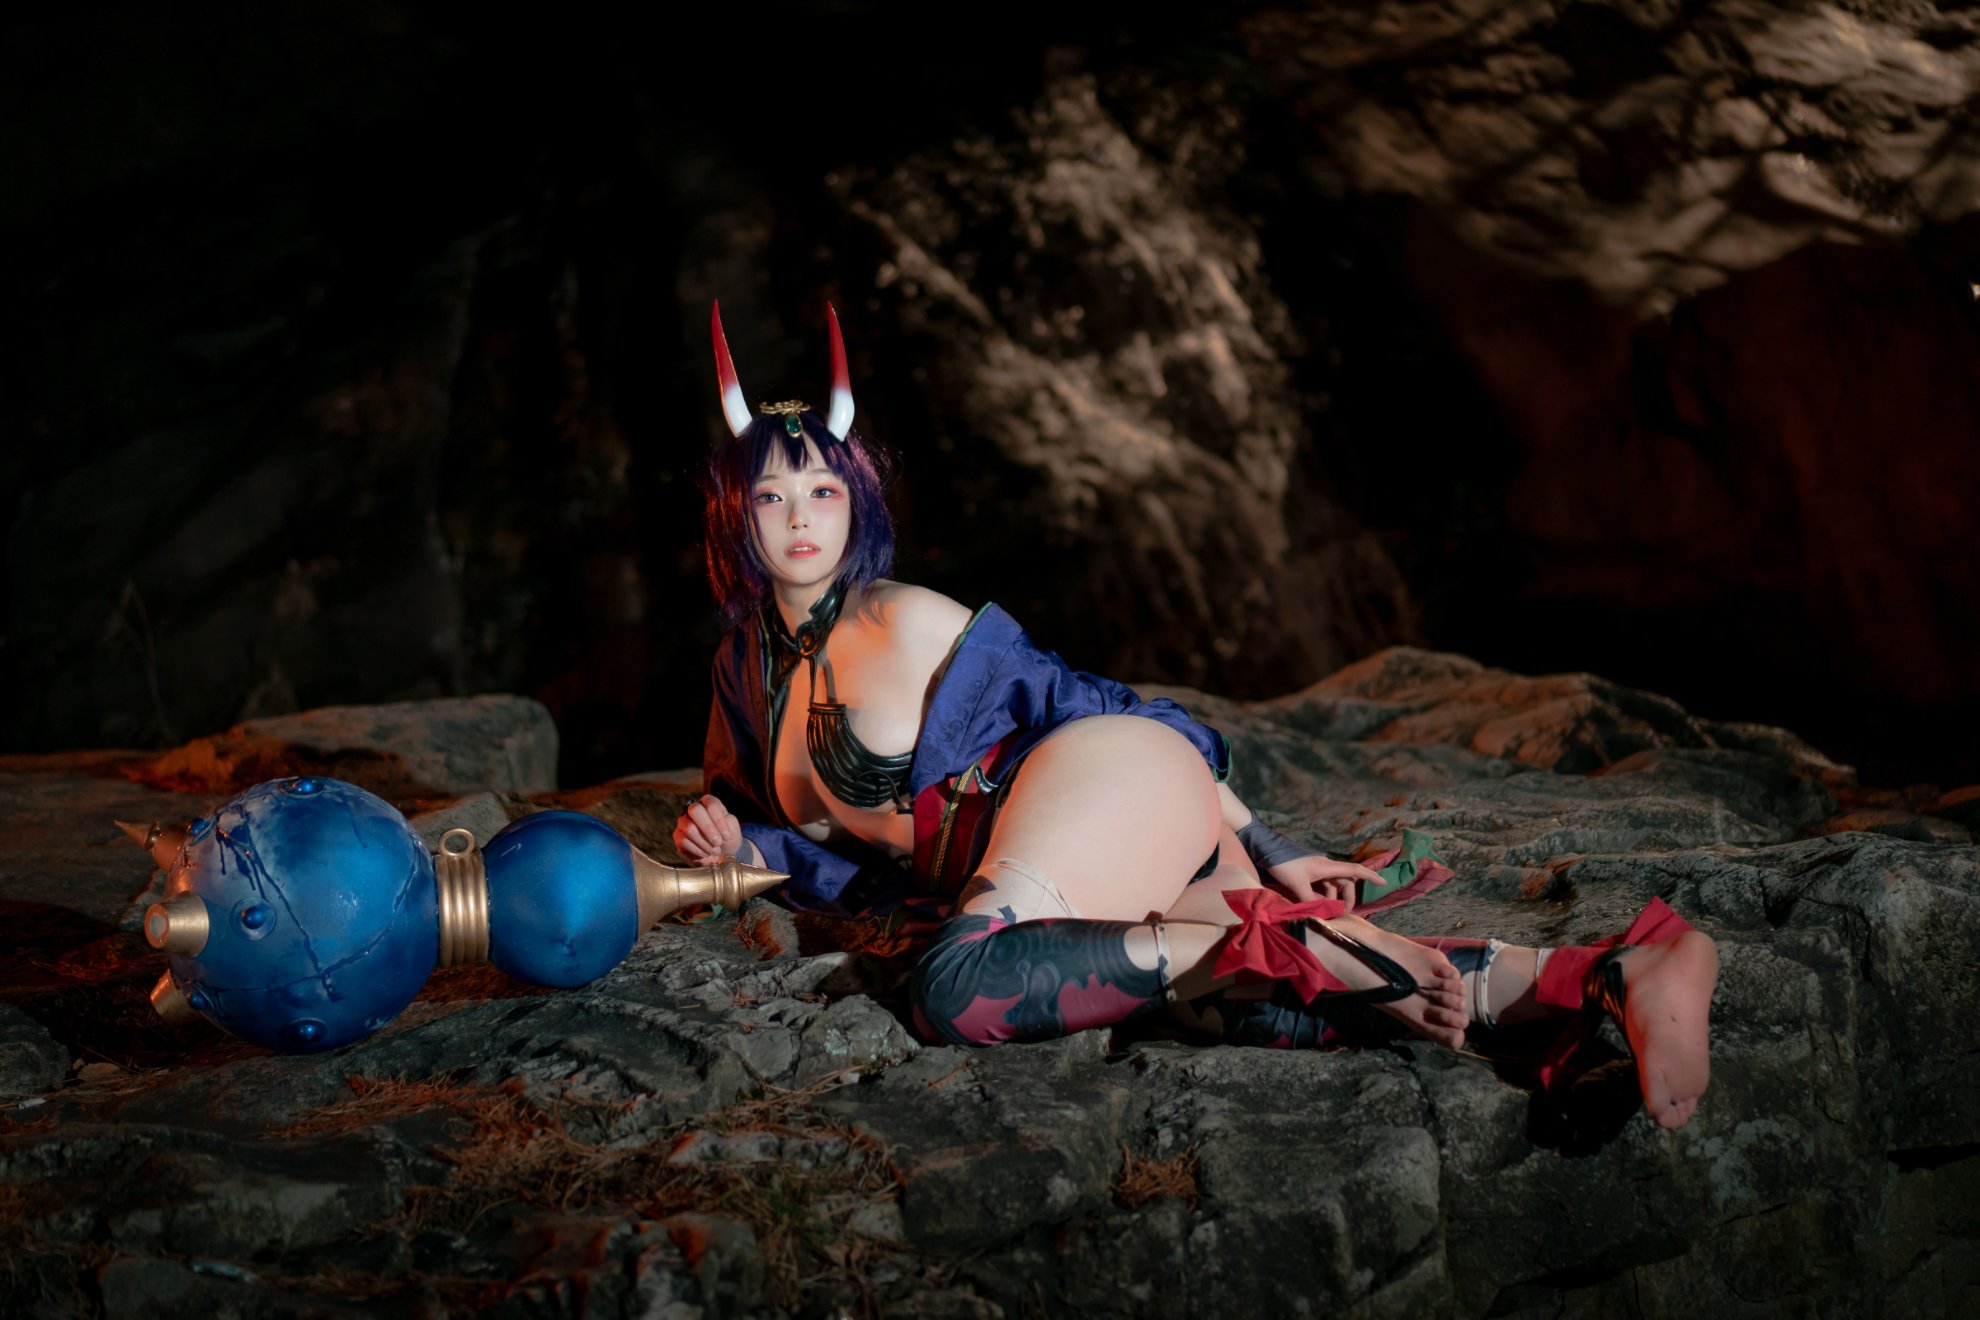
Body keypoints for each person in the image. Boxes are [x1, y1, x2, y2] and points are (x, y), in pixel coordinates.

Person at [673, 304, 1719, 1129]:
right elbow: (781, 831)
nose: (802, 519)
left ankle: (1291, 943)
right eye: (772, 497)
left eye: (823, 491)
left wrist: (1271, 843)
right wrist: (729, 845)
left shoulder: (904, 618)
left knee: (955, 988)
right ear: (734, 512)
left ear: (857, 501)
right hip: (1091, 868)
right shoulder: (744, 670)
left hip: (1100, 787)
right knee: (1268, 1015)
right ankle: (1615, 973)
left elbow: (1097, 703)